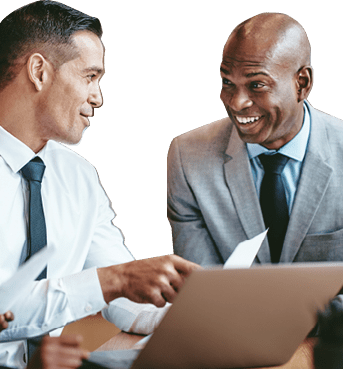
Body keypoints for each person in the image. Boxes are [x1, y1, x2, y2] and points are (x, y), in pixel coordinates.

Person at [0, 1, 199, 368]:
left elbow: (121, 295)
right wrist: (114, 280)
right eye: (90, 77)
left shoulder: (78, 176)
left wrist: (197, 317)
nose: (98, 98)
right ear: (39, 72)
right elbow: (4, 311)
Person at [168, 12, 343, 266]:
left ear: (302, 84)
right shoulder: (188, 158)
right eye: (228, 82)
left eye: (257, 85)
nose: (236, 103)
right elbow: (199, 284)